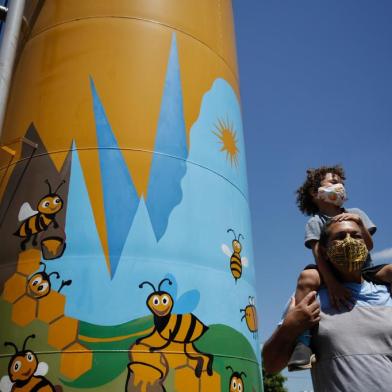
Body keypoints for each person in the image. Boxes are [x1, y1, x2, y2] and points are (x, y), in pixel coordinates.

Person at [263, 218, 392, 392]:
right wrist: (289, 328)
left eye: (356, 236)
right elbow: (271, 365)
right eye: (340, 237)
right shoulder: (309, 299)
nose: (349, 241)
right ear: (324, 252)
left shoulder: (387, 293)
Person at [288, 165, 392, 370]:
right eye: (334, 182)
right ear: (315, 192)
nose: (340, 186)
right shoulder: (315, 222)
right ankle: (303, 341)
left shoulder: (356, 213)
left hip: (363, 270)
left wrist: (359, 224)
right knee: (308, 277)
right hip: (331, 270)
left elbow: (369, 245)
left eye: (341, 183)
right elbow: (319, 254)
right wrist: (332, 283)